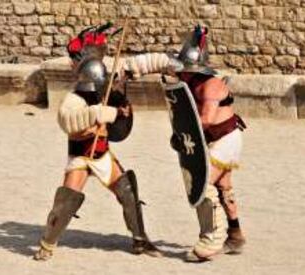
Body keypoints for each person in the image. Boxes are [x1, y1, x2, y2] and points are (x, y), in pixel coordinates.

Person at [33, 24, 162, 261]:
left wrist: (168, 62)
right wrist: (98, 113)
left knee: (127, 191)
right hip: (81, 156)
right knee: (66, 202)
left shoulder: (108, 85)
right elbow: (68, 121)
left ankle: (140, 239)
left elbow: (138, 65)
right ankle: (47, 244)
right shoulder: (74, 98)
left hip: (102, 154)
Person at [119, 25, 247, 261]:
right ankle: (236, 235)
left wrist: (184, 134)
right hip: (212, 139)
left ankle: (211, 240)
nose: (182, 73)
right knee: (224, 186)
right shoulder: (188, 78)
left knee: (203, 183)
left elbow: (206, 120)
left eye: (187, 70)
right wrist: (128, 68)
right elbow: (159, 61)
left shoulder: (212, 86)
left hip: (225, 139)